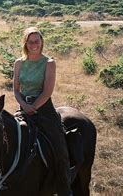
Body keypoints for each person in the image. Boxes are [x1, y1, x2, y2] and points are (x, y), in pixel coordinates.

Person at [12, 27, 72, 196]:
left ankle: (64, 189)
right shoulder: (19, 63)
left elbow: (47, 92)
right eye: (30, 41)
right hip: (24, 107)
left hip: (44, 110)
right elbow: (16, 89)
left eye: (37, 41)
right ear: (26, 43)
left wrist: (34, 107)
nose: (34, 45)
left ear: (41, 42)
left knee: (60, 148)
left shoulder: (49, 63)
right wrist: (24, 105)